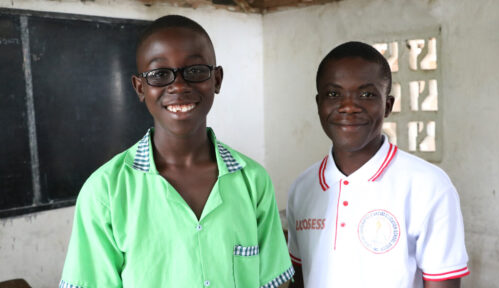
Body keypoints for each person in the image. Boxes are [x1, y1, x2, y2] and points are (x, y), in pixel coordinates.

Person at [60, 15, 293, 288]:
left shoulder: (252, 181)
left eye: (195, 71)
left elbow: (273, 282)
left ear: (216, 80)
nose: (180, 86)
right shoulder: (105, 192)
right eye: (159, 74)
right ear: (139, 88)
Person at [287, 41, 469, 288]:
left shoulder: (428, 185)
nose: (348, 106)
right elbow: (300, 279)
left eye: (366, 94)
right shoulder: (302, 188)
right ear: (319, 104)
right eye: (333, 94)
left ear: (388, 106)